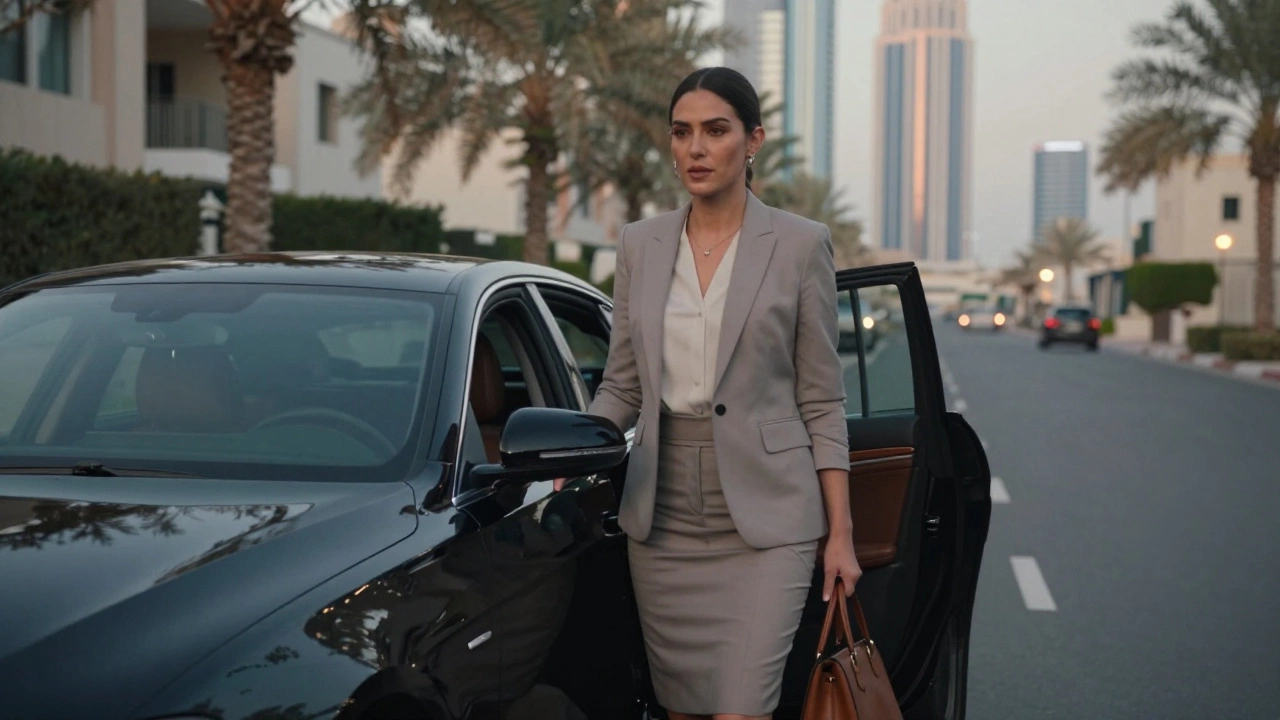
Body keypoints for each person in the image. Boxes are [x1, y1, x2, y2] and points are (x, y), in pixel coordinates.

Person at [585, 67, 861, 720]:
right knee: (681, 709)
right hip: (663, 515)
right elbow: (622, 384)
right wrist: (575, 447)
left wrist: (841, 534)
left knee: (741, 708)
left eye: (716, 131)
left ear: (754, 140)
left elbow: (821, 400)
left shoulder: (801, 244)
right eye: (682, 133)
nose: (696, 149)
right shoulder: (639, 244)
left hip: (770, 517)